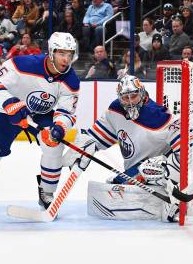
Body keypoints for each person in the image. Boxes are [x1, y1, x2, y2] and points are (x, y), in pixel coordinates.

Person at [0, 32, 81, 209]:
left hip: (42, 114)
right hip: (8, 112)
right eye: (61, 53)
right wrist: (9, 104)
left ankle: (47, 191)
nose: (66, 59)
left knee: (54, 145)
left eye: (69, 54)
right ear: (51, 52)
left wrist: (59, 127)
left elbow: (66, 111)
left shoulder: (71, 80)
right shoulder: (23, 63)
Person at [63, 74, 185, 222]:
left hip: (157, 169)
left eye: (133, 96)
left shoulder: (157, 115)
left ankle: (172, 196)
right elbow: (97, 137)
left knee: (144, 174)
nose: (129, 102)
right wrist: (85, 145)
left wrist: (169, 171)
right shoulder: (116, 111)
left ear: (142, 93)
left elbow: (189, 144)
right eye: (125, 98)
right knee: (114, 185)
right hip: (135, 169)